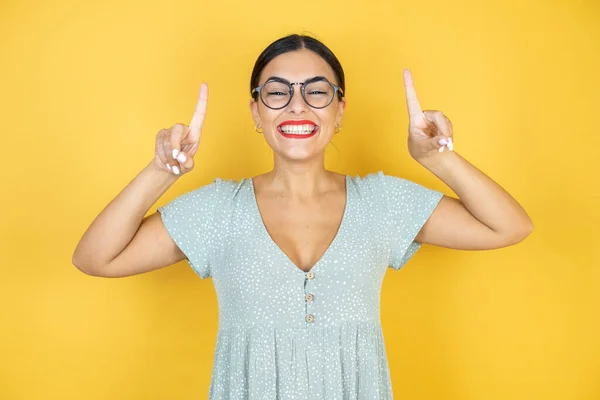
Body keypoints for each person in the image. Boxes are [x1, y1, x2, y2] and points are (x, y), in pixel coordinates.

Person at [72, 34, 533, 399]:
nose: (297, 105)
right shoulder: (218, 210)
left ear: (339, 111)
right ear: (256, 111)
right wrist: (161, 171)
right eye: (277, 92)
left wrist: (436, 159)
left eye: (316, 92)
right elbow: (96, 258)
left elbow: (509, 225)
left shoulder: (380, 203)